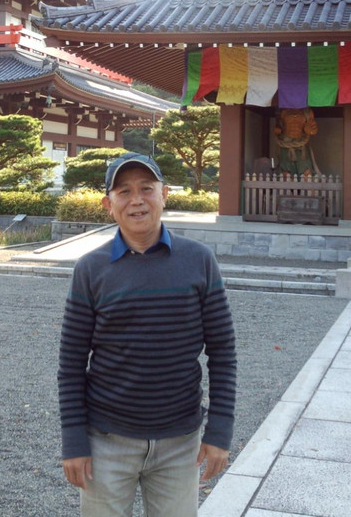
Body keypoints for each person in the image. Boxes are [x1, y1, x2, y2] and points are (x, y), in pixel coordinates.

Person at [57, 152, 237, 517]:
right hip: (106, 440)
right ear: (109, 205)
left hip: (180, 442)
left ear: (164, 194)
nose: (136, 200)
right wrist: (73, 440)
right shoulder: (90, 269)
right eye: (124, 192)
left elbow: (223, 350)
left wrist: (219, 431)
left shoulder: (199, 260)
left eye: (146, 189)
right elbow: (71, 362)